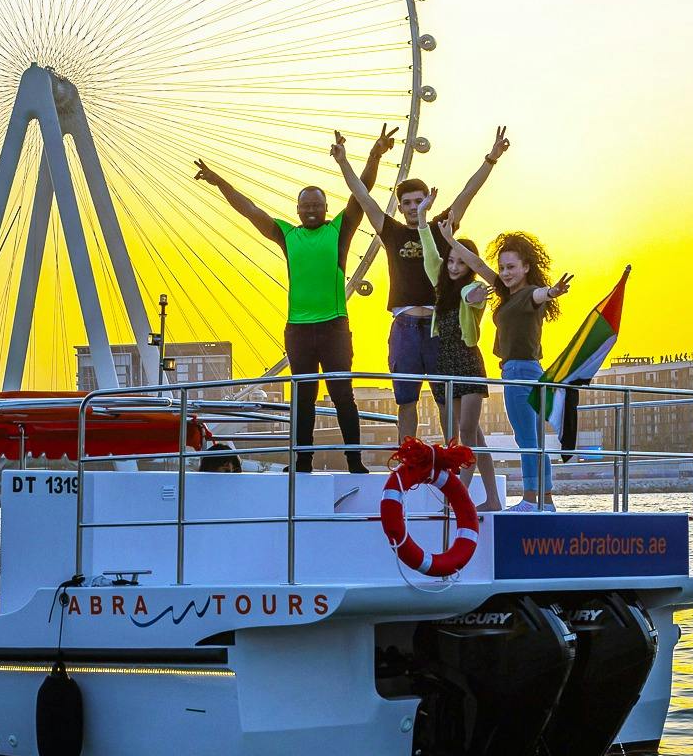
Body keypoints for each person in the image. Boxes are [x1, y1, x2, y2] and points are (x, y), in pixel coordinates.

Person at [195, 126, 393, 472]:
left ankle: (355, 461)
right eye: (306, 205)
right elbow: (249, 209)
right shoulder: (287, 235)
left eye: (317, 204)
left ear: (326, 207)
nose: (312, 209)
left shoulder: (339, 230)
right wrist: (219, 182)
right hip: (298, 329)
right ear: (298, 209)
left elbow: (362, 192)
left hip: (334, 326)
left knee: (342, 395)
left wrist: (374, 154)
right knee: (303, 398)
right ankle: (302, 462)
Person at [335, 127, 510, 441]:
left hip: (438, 326)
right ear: (400, 207)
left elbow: (468, 193)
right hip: (404, 326)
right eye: (408, 202)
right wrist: (344, 162)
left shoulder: (439, 228)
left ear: (428, 200)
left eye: (419, 200)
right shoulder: (391, 231)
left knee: (446, 401)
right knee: (406, 400)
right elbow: (362, 195)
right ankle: (408, 460)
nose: (414, 206)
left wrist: (491, 159)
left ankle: (450, 458)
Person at [445, 230, 572, 511]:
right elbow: (478, 265)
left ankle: (530, 499)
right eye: (502, 267)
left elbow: (542, 294)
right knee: (535, 439)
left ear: (526, 267)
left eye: (511, 267)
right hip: (529, 371)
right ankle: (546, 501)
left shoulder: (528, 294)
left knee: (526, 438)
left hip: (520, 372)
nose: (505, 273)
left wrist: (553, 292)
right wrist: (452, 243)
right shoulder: (506, 292)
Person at [396, 195, 502, 511]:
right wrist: (427, 218)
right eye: (452, 261)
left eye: (461, 262)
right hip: (445, 365)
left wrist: (477, 293)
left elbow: (474, 296)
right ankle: (493, 498)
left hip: (467, 364)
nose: (455, 267)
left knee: (467, 433)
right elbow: (430, 252)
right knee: (472, 437)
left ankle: (460, 497)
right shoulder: (441, 287)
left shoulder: (471, 290)